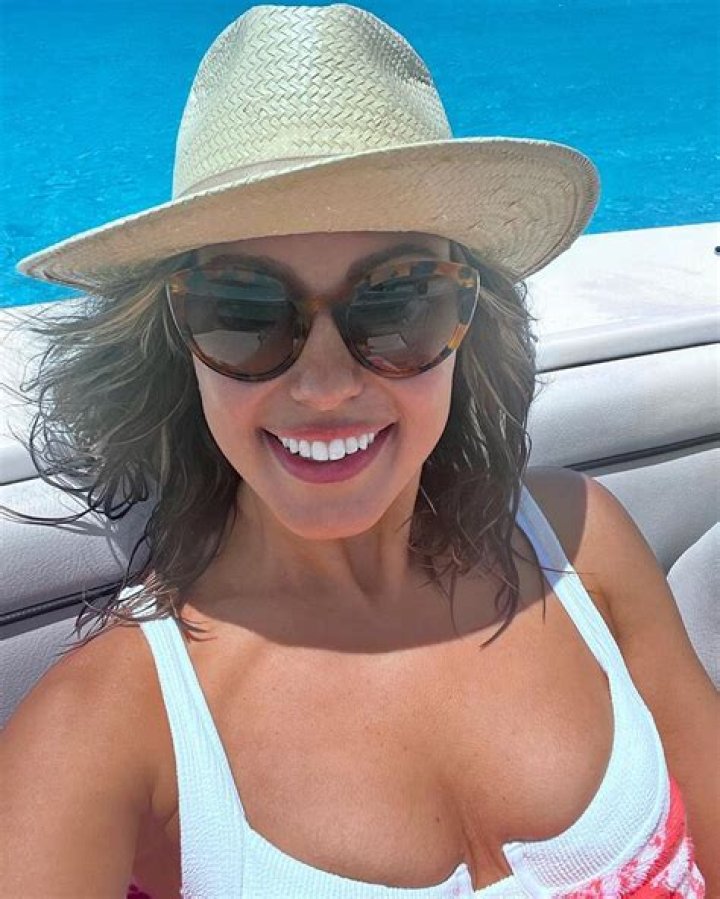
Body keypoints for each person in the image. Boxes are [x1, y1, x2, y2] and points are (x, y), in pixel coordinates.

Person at [1, 5, 716, 897]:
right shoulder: (103, 731)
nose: (326, 384)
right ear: (176, 346)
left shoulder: (585, 545)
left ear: (470, 324)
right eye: (244, 311)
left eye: (399, 301)